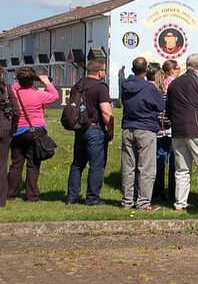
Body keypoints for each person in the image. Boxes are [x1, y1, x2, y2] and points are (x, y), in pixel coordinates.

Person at [166, 53, 198, 212]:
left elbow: (168, 109)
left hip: (178, 129)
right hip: (197, 128)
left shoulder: (174, 84)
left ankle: (180, 203)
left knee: (181, 168)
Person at [66, 58, 115, 205]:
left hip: (80, 128)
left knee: (77, 163)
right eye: (104, 71)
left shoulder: (78, 85)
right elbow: (106, 112)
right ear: (100, 72)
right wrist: (111, 129)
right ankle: (92, 197)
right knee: (97, 165)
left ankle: (72, 196)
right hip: (95, 128)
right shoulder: (101, 87)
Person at [119, 57, 165, 211]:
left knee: (128, 167)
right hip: (145, 128)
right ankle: (143, 202)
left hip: (128, 127)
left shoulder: (124, 84)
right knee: (146, 168)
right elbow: (160, 105)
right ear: (146, 70)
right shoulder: (149, 88)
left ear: (133, 69)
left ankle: (127, 201)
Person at [7, 67, 59, 202]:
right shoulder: (38, 94)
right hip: (35, 130)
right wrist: (47, 82)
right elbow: (55, 95)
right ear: (32, 80)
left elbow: (13, 87)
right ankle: (32, 195)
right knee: (33, 164)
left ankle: (10, 192)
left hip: (17, 131)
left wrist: (21, 81)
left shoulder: (13, 92)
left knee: (16, 164)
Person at [152, 60, 179, 202]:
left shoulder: (158, 85)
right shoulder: (175, 84)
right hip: (172, 126)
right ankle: (173, 192)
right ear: (173, 70)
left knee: (160, 160)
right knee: (174, 162)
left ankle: (157, 190)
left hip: (160, 127)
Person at [0, 67, 18, 207]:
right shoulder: (6, 89)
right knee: (2, 165)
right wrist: (13, 128)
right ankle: (1, 200)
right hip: (4, 128)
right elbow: (16, 111)